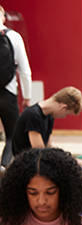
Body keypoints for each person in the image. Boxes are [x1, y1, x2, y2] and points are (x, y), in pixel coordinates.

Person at [10, 86, 82, 195]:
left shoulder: (49, 116)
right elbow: (41, 152)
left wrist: (70, 158)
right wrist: (71, 161)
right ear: (63, 107)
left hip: (41, 159)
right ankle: (77, 208)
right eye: (67, 113)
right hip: (30, 163)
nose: (63, 117)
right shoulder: (33, 116)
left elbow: (49, 147)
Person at [0, 5, 32, 167]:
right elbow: (25, 71)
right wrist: (27, 97)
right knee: (12, 135)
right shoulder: (14, 37)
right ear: (4, 17)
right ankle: (4, 169)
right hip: (7, 94)